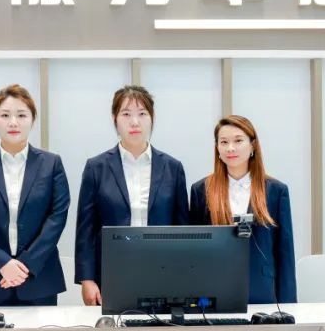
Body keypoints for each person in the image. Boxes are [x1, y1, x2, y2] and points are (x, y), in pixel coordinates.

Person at [74, 85, 189, 305]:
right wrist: (86, 279)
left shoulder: (172, 168)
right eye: (126, 114)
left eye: (142, 114)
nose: (134, 122)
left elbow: (182, 228)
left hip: (163, 271)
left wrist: (183, 275)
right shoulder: (96, 167)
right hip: (111, 272)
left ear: (152, 119)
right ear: (115, 119)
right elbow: (85, 230)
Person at [0, 84, 70, 306]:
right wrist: (2, 263)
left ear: (32, 119)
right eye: (5, 115)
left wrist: (25, 265)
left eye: (21, 115)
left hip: (38, 279)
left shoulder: (51, 164)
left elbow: (57, 217)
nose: (13, 122)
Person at [189, 115, 296, 304]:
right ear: (217, 148)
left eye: (238, 141)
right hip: (215, 292)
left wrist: (289, 306)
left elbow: (284, 254)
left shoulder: (276, 190)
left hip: (262, 291)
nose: (230, 148)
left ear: (253, 145)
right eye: (224, 142)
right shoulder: (201, 190)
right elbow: (195, 252)